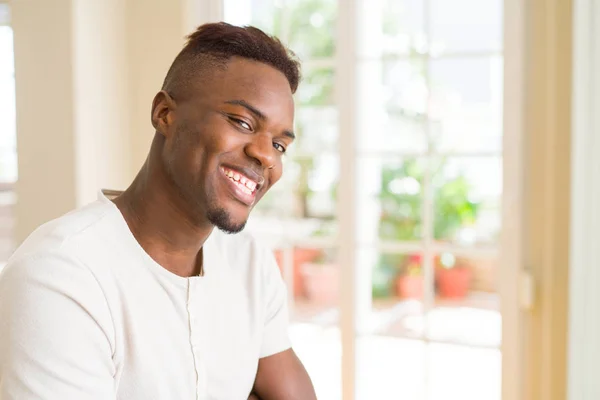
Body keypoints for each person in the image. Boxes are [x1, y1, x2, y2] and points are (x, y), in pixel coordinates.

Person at [0, 22, 317, 400]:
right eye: (242, 122)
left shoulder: (250, 262)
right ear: (165, 113)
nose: (266, 155)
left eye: (280, 145)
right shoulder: (60, 275)